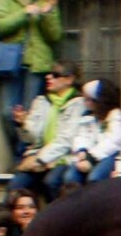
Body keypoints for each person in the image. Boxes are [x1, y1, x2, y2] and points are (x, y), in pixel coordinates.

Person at [0, 0, 61, 159]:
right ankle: (20, 152)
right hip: (10, 63)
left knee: (30, 116)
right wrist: (24, 13)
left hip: (36, 65)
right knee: (7, 113)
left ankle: (23, 158)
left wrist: (47, 14)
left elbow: (55, 35)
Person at [7, 61, 85, 202]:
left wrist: (40, 160)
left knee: (51, 182)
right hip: (38, 156)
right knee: (15, 186)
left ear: (69, 79)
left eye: (55, 75)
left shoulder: (79, 103)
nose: (48, 77)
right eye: (48, 74)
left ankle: (56, 215)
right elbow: (32, 139)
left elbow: (65, 140)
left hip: (63, 157)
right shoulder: (41, 101)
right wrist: (23, 124)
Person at [64, 79, 121, 185]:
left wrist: (91, 158)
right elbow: (81, 135)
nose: (85, 102)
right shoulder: (87, 115)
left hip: (109, 155)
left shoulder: (116, 115)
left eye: (88, 99)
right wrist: (82, 150)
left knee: (94, 178)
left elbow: (114, 141)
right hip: (88, 155)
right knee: (70, 177)